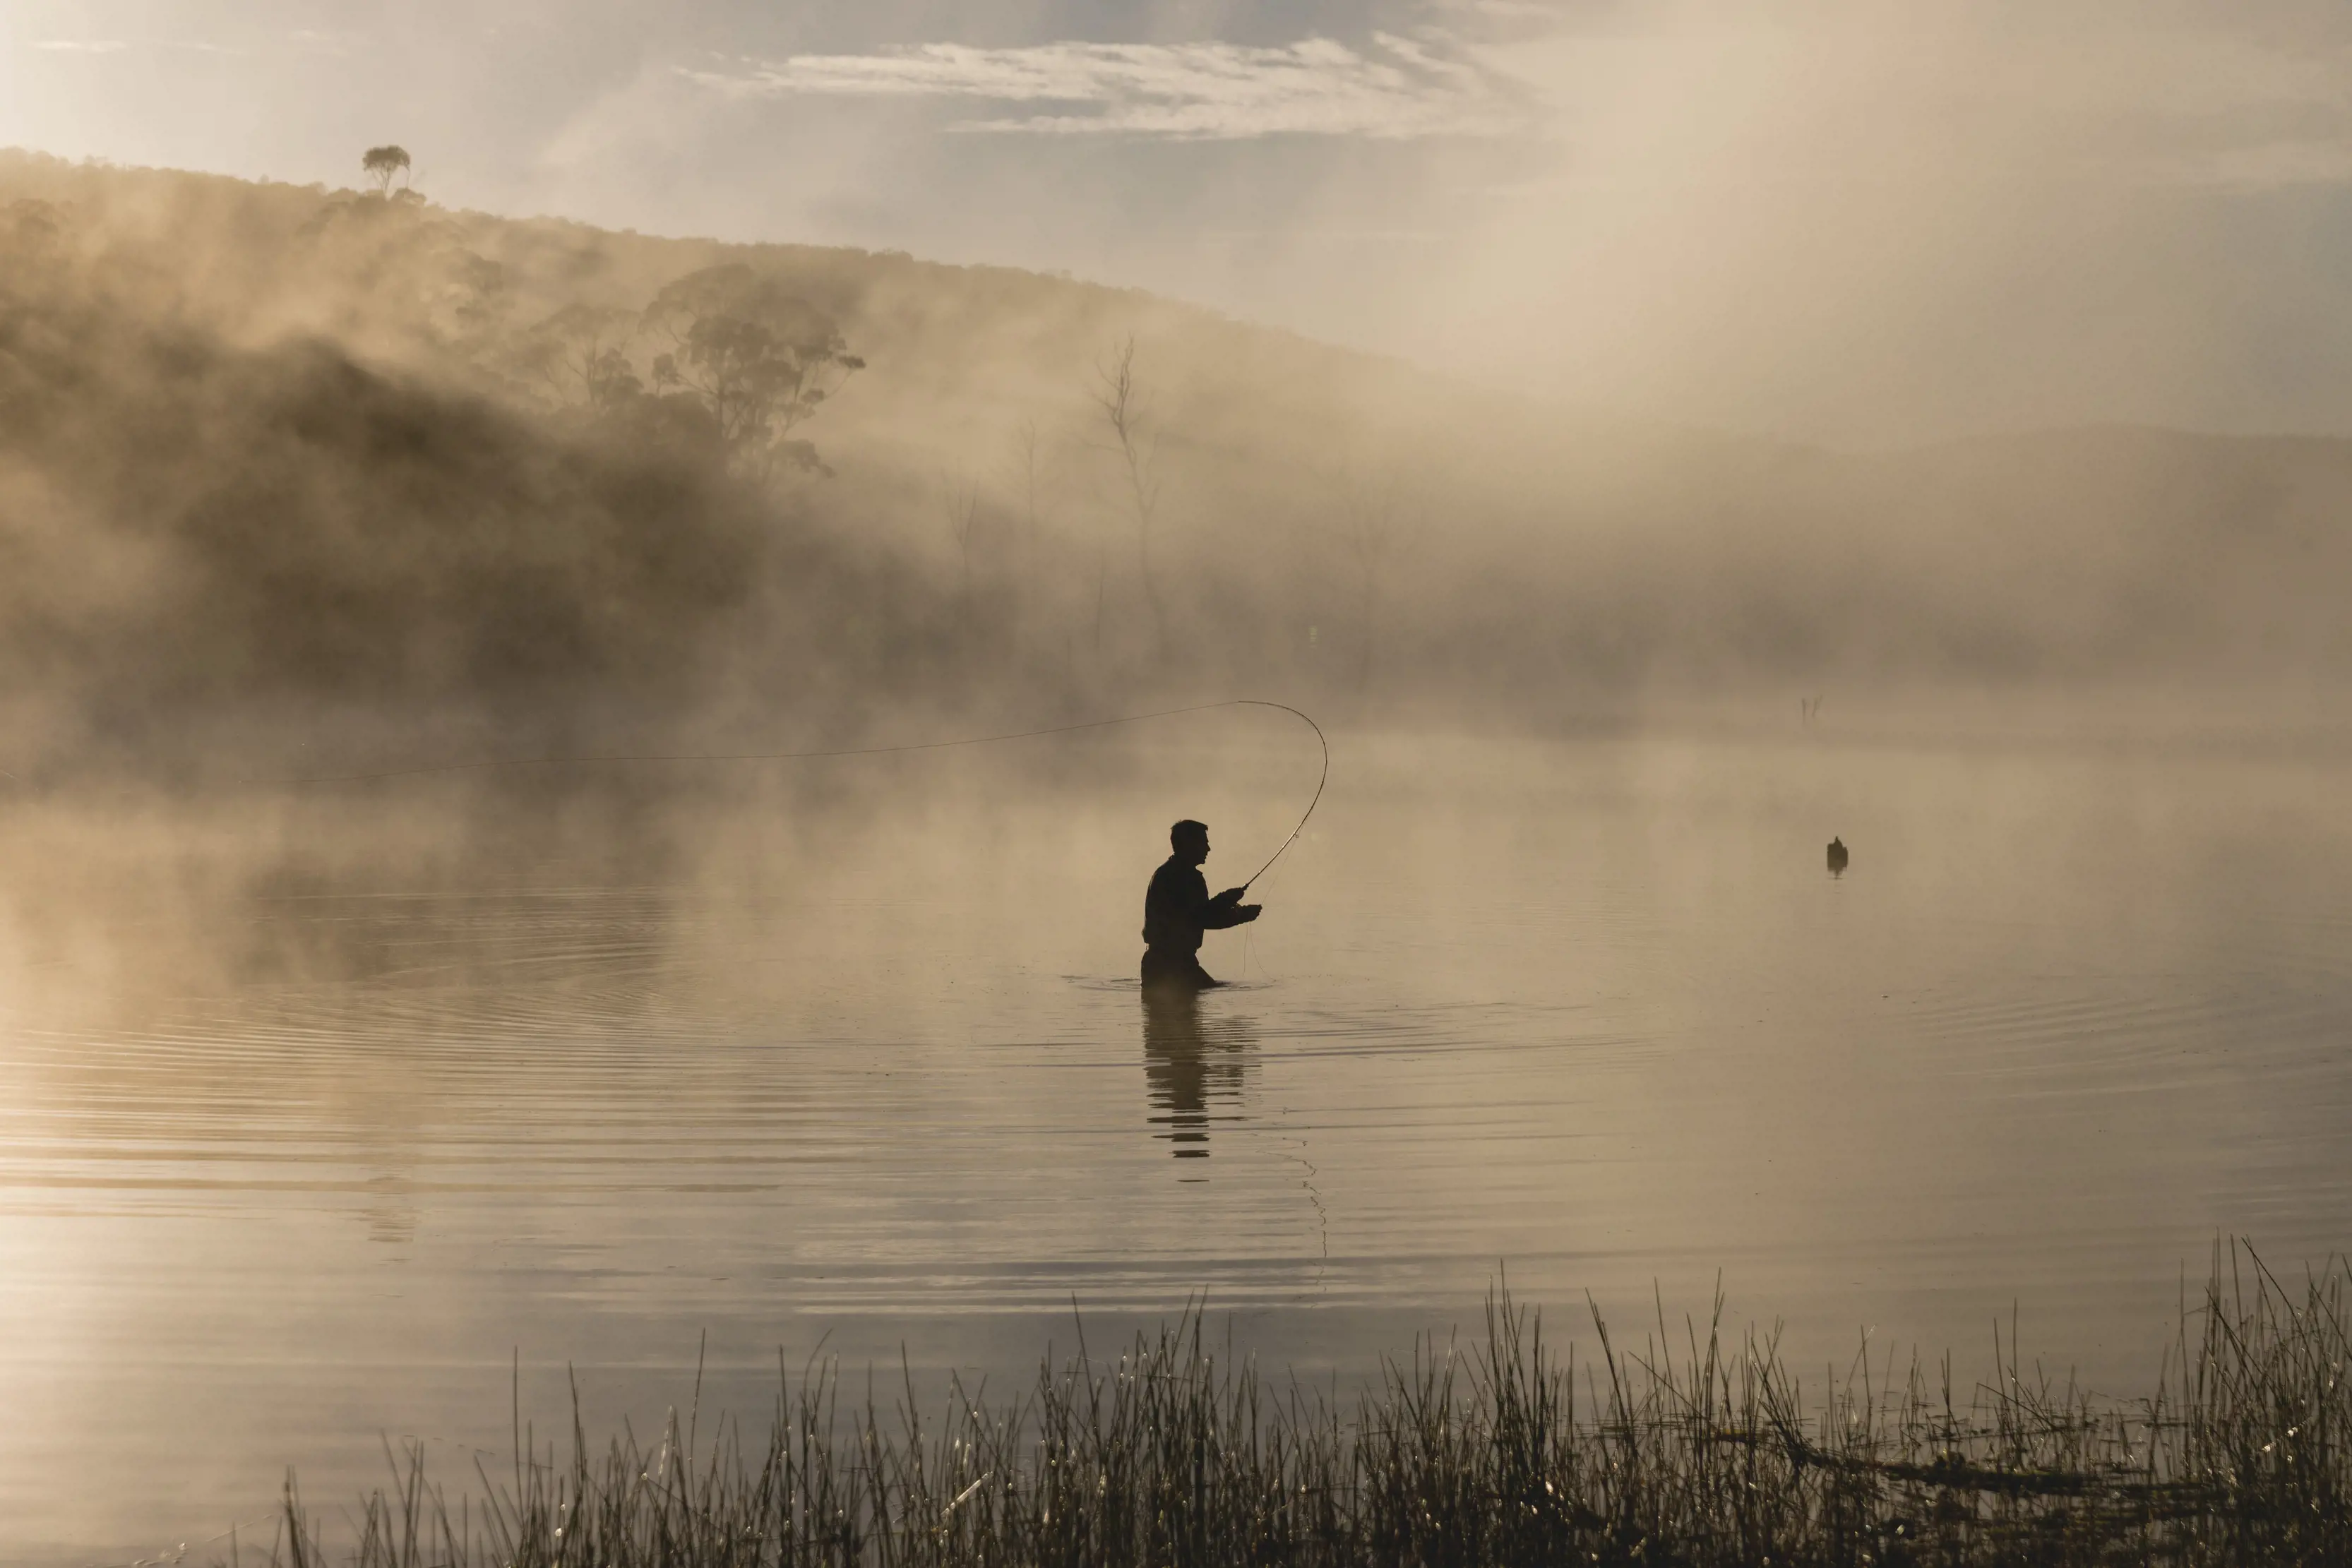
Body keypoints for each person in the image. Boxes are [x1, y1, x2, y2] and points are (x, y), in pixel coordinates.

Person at [1141, 819, 1260, 991]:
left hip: (1159, 964)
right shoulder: (1186, 877)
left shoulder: (1167, 873)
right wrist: (1241, 916)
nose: (1208, 849)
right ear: (1189, 845)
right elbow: (1202, 919)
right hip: (1173, 966)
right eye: (1204, 843)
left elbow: (1196, 913)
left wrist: (1226, 899)